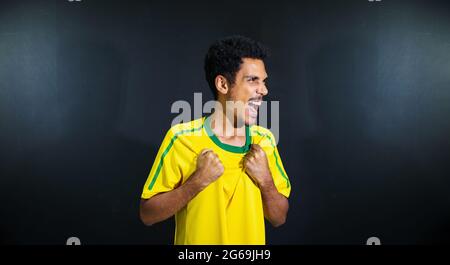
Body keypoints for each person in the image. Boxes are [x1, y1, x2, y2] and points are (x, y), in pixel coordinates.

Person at [139, 35, 291, 245]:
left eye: (263, 81)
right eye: (252, 80)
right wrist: (197, 182)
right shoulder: (183, 138)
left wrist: (265, 180)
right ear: (222, 84)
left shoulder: (264, 140)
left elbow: (279, 217)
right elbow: (147, 214)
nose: (264, 90)